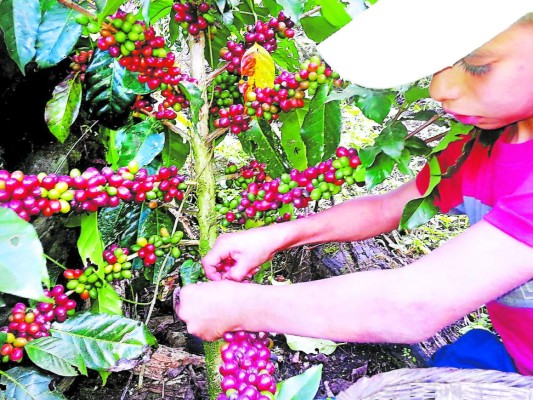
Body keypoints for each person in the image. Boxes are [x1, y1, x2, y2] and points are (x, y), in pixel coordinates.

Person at [177, 0, 533, 375]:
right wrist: (281, 235)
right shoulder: (482, 143)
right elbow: (388, 208)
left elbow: (415, 304)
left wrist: (242, 308)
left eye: (477, 64)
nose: (438, 87)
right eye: (438, 64)